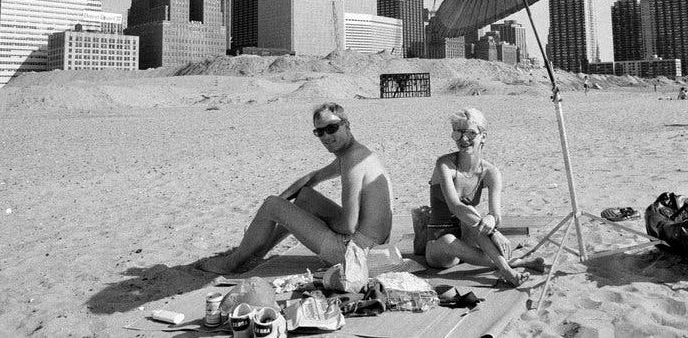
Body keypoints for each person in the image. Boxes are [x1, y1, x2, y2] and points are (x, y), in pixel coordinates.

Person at [198, 102, 393, 273]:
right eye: (320, 132)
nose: (326, 136)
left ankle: (232, 263)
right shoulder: (356, 153)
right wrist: (286, 204)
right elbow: (313, 177)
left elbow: (348, 226)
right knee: (304, 197)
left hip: (354, 253)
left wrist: (304, 216)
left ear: (347, 125)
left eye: (332, 128)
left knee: (271, 205)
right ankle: (258, 249)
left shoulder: (352, 162)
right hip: (375, 245)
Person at [423, 108, 544, 286]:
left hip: (469, 236)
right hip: (439, 247)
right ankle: (510, 266)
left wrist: (490, 219)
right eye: (458, 133)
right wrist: (494, 232)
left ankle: (508, 265)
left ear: (483, 137)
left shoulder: (490, 172)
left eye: (471, 133)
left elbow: (496, 215)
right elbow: (455, 206)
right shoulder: (445, 165)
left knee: (477, 220)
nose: (464, 140)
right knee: (460, 225)